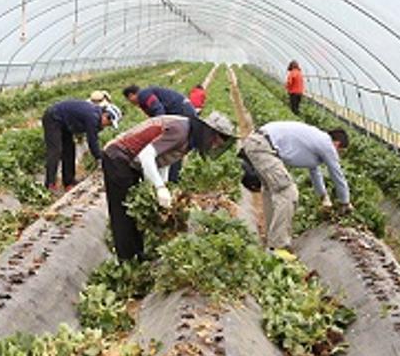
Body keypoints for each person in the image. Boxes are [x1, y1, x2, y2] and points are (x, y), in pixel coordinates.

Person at [102, 111, 236, 261]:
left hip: (130, 162)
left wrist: (163, 186)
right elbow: (146, 156)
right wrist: (159, 187)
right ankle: (127, 261)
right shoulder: (180, 131)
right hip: (118, 157)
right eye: (215, 141)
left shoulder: (189, 138)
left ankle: (138, 255)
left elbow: (162, 160)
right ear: (209, 132)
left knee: (133, 214)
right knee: (123, 213)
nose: (214, 146)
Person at [239, 121, 351, 249]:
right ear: (336, 144)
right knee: (287, 192)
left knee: (271, 191)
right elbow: (337, 174)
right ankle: (278, 246)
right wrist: (345, 202)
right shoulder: (326, 143)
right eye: (340, 151)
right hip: (263, 147)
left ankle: (271, 239)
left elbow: (315, 172)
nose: (338, 155)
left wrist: (323, 197)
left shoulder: (315, 141)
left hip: (258, 143)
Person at [122, 84, 198, 182]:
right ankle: (173, 179)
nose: (131, 103)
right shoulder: (146, 95)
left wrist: (159, 130)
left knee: (173, 146)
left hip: (182, 114)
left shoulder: (144, 95)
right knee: (175, 147)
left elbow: (159, 110)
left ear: (131, 95)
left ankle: (172, 180)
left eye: (129, 100)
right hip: (184, 113)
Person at [43, 100, 121, 191]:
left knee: (69, 150)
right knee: (55, 151)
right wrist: (100, 158)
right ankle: (50, 184)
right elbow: (92, 141)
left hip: (64, 122)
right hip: (53, 117)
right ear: (106, 115)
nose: (107, 126)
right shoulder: (93, 117)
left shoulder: (95, 115)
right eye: (109, 123)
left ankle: (69, 182)